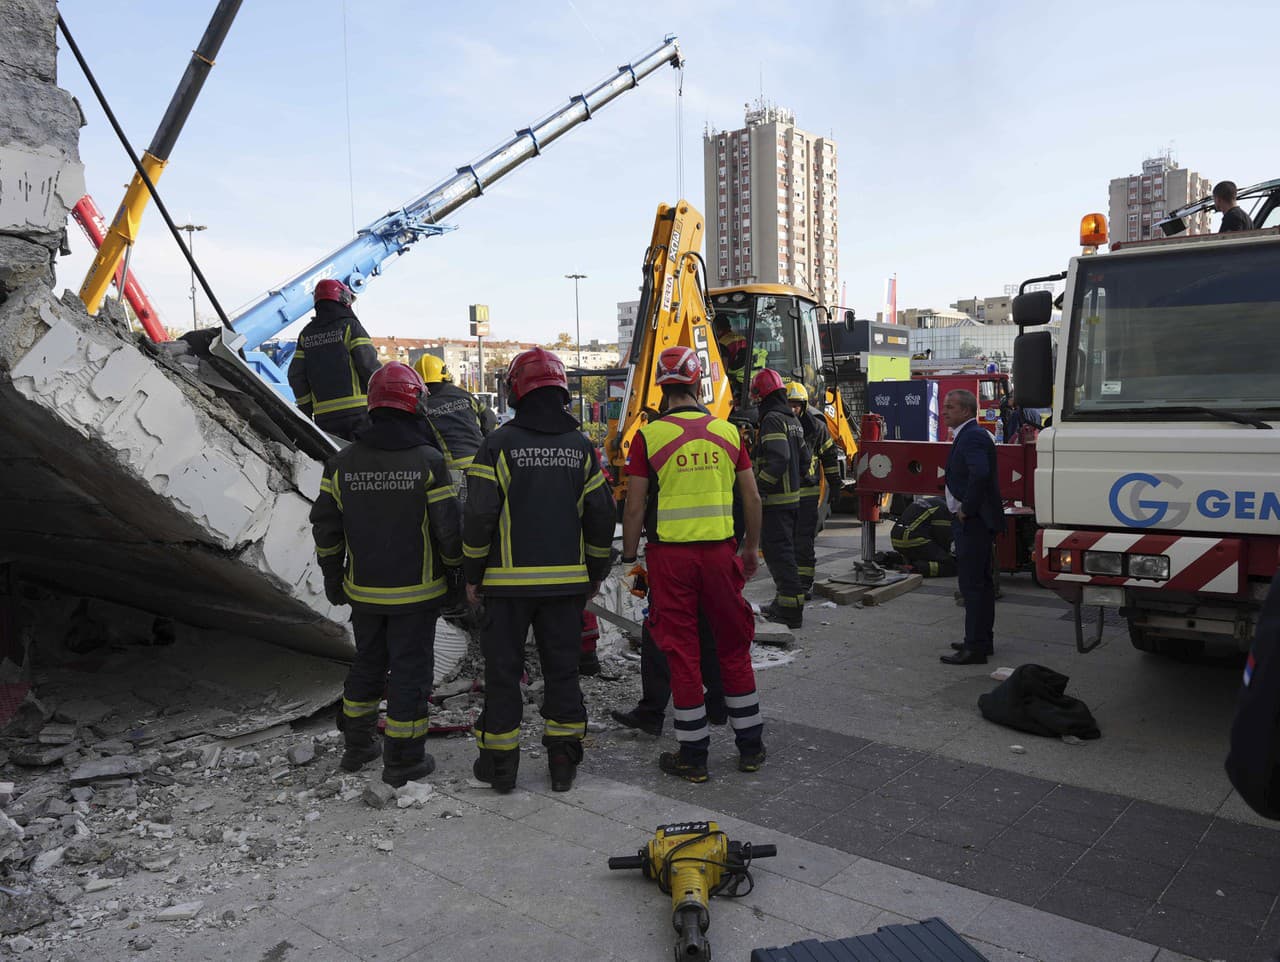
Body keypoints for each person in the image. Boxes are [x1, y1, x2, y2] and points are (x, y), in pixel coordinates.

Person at [463, 347, 615, 794]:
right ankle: (563, 763)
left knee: (504, 674)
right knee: (563, 672)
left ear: (516, 391)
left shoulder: (497, 445)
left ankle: (500, 767)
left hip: (506, 589)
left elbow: (478, 517)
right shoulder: (580, 448)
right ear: (562, 392)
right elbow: (602, 515)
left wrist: (473, 572)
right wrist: (595, 570)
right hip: (566, 587)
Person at [309, 362, 462, 787]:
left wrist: (332, 577)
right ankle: (404, 760)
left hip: (365, 593)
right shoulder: (428, 461)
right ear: (416, 405)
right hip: (417, 594)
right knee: (411, 674)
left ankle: (358, 748)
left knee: (367, 667)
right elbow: (448, 530)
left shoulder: (340, 463)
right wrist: (456, 576)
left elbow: (326, 527)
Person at [621, 346, 764, 782]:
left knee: (681, 654)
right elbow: (752, 498)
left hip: (669, 562)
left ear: (662, 388)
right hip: (721, 557)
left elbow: (634, 506)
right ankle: (751, 748)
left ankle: (694, 756)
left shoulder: (649, 437)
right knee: (733, 649)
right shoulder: (728, 432)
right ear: (699, 383)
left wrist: (630, 563)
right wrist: (751, 549)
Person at [939, 389, 1003, 665]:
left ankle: (975, 647)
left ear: (966, 410)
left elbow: (980, 474)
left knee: (972, 586)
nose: (944, 411)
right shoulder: (967, 434)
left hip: (973, 522)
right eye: (944, 406)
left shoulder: (973, 436)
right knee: (981, 584)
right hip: (976, 521)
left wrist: (966, 509)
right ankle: (980, 640)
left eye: (950, 407)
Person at [288, 279, 380, 441]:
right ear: (343, 299)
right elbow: (369, 366)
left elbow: (296, 376)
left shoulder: (306, 334)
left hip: (325, 418)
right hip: (358, 414)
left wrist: (306, 410)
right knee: (364, 460)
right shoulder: (351, 326)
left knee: (337, 459)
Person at [752, 368, 807, 629]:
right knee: (785, 553)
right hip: (792, 500)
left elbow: (779, 457)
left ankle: (791, 611)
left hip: (776, 502)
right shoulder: (793, 420)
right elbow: (805, 459)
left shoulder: (772, 419)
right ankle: (784, 603)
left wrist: (760, 487)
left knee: (779, 555)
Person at [787, 382, 840, 598]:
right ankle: (790, 580)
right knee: (786, 541)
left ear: (804, 405)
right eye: (788, 404)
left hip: (808, 493)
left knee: (804, 541)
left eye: (796, 405)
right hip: (785, 494)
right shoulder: (778, 424)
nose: (792, 409)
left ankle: (804, 583)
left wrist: (835, 483)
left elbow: (829, 456)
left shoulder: (816, 427)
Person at [412, 355, 488, 504]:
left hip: (451, 474)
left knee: (457, 521)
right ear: (445, 374)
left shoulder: (421, 405)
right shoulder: (465, 395)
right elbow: (490, 423)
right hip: (482, 466)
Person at [890, 495, 956, 577]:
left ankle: (897, 560)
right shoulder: (944, 509)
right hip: (913, 539)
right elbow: (944, 539)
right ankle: (915, 568)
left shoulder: (934, 502)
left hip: (897, 539)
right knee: (952, 564)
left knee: (929, 554)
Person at [714, 315, 748, 395]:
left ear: (717, 329)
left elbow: (722, 370)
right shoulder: (741, 337)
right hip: (747, 379)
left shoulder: (722, 343)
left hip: (734, 384)